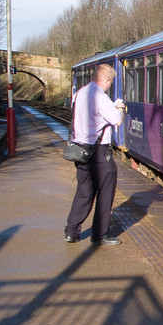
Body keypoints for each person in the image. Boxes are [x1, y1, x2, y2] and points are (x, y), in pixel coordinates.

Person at [64, 63, 125, 246]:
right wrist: (119, 108)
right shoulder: (100, 96)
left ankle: (71, 231)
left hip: (80, 150)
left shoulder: (79, 93)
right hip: (99, 151)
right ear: (105, 80)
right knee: (105, 192)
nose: (109, 86)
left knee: (84, 191)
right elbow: (116, 120)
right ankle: (100, 235)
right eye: (110, 83)